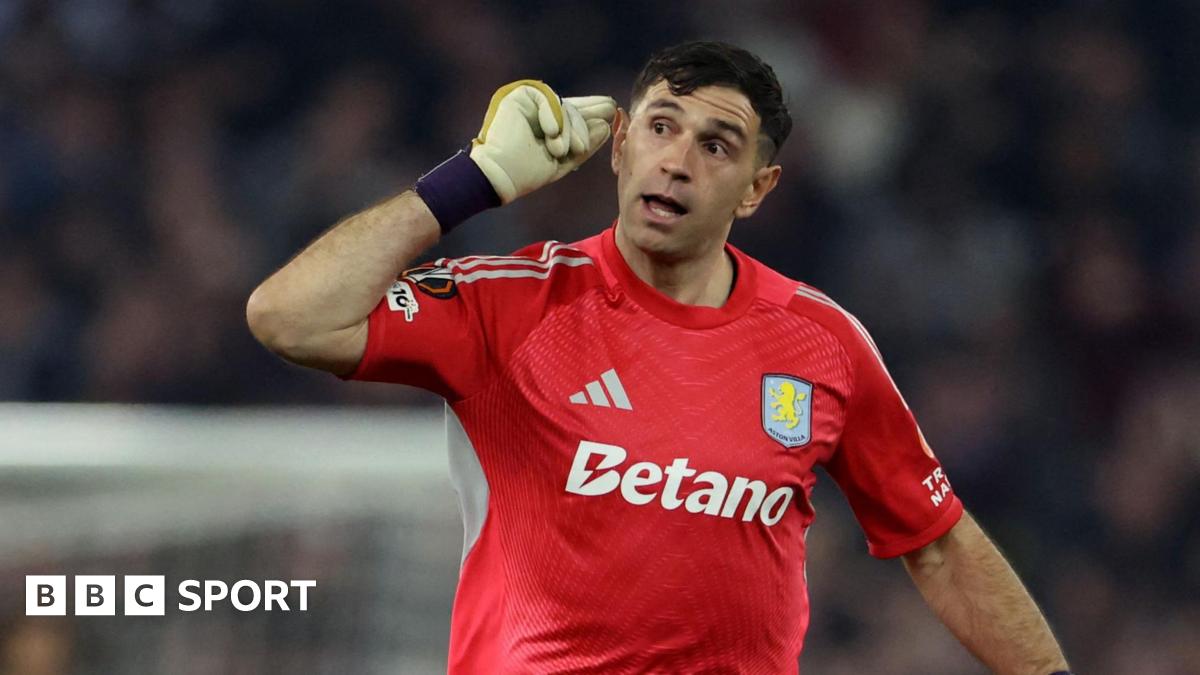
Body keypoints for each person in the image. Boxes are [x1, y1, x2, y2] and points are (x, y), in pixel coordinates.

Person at [247, 41, 1070, 674]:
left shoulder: (822, 341)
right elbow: (289, 317)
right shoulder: (512, 305)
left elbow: (939, 543)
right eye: (662, 127)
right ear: (620, 147)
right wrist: (474, 179)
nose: (677, 160)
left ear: (757, 188)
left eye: (717, 145)